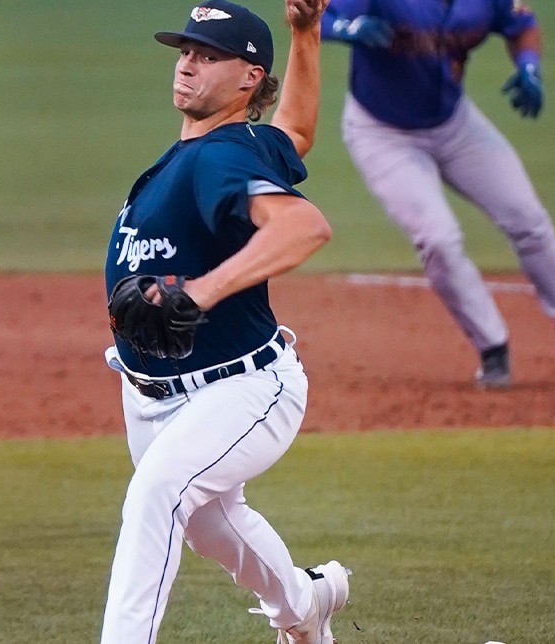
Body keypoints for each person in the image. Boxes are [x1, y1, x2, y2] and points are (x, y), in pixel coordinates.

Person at [97, 1, 349, 642]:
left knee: (157, 495)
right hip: (154, 397)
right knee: (214, 524)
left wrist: (201, 292)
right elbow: (294, 133)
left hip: (242, 388)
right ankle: (303, 607)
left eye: (208, 56)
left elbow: (304, 225)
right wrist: (306, 33)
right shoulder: (238, 146)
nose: (187, 65)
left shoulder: (219, 159)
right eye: (185, 52)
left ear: (248, 79)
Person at [322, 0, 555, 389]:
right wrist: (347, 30)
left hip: (456, 124)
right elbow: (310, 17)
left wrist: (529, 67)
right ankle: (493, 348)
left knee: (527, 217)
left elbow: (522, 26)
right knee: (439, 239)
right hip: (382, 134)